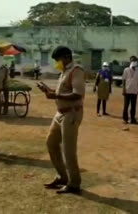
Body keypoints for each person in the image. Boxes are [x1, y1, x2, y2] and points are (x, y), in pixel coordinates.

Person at [38, 46, 85, 194]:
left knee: (68, 150)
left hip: (71, 114)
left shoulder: (76, 71)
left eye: (58, 60)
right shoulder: (64, 71)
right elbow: (63, 91)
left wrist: (55, 96)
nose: (57, 63)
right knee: (51, 143)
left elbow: (77, 94)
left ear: (65, 57)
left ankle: (74, 183)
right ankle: (62, 176)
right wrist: (49, 91)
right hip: (60, 114)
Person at [122, 56, 138, 125]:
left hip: (134, 90)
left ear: (136, 62)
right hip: (127, 90)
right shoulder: (126, 70)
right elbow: (124, 80)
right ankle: (125, 119)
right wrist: (123, 89)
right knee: (126, 106)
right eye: (132, 61)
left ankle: (132, 119)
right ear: (130, 61)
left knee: (133, 106)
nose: (133, 62)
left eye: (134, 61)